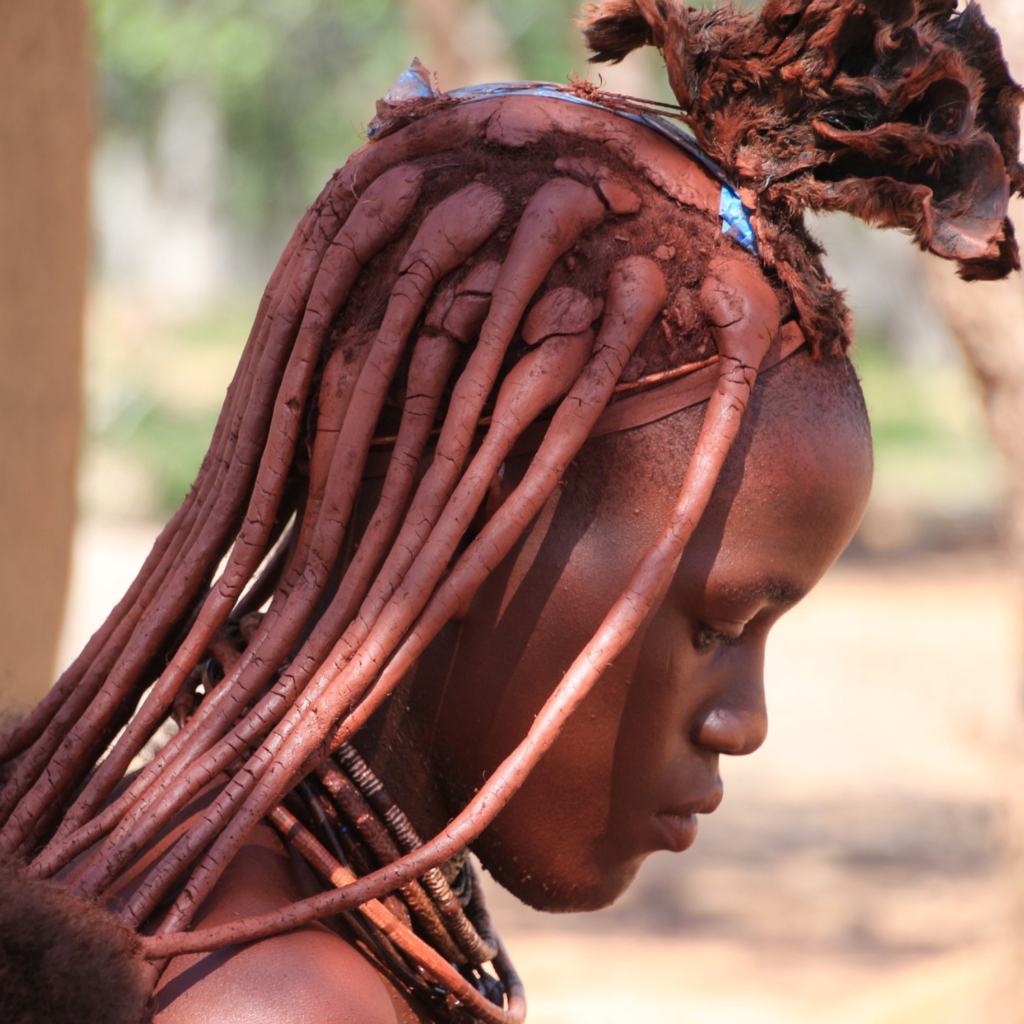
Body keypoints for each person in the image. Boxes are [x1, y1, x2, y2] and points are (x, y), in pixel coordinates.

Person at [0, 1, 1020, 1022]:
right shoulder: (280, 1001)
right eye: (716, 625)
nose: (742, 722)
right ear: (471, 545)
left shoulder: (192, 893)